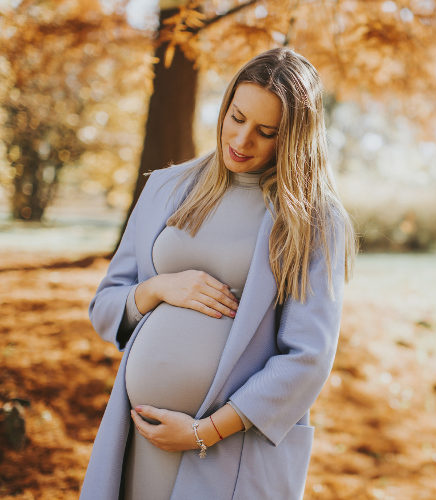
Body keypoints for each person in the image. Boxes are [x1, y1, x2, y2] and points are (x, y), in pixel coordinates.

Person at [79, 47, 357, 500]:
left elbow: (307, 358)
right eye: (236, 117)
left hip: (230, 451)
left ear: (293, 139)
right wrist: (159, 288)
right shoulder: (165, 187)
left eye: (266, 132)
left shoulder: (312, 220)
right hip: (139, 439)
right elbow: (105, 306)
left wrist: (203, 432)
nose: (242, 140)